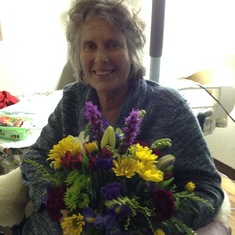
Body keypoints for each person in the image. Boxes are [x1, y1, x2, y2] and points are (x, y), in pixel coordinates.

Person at [19, 0, 229, 234]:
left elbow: (207, 187)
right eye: (90, 46)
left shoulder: (169, 107)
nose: (101, 58)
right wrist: (53, 201)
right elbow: (34, 159)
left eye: (113, 44)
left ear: (132, 50)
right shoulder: (73, 99)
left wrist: (150, 221)